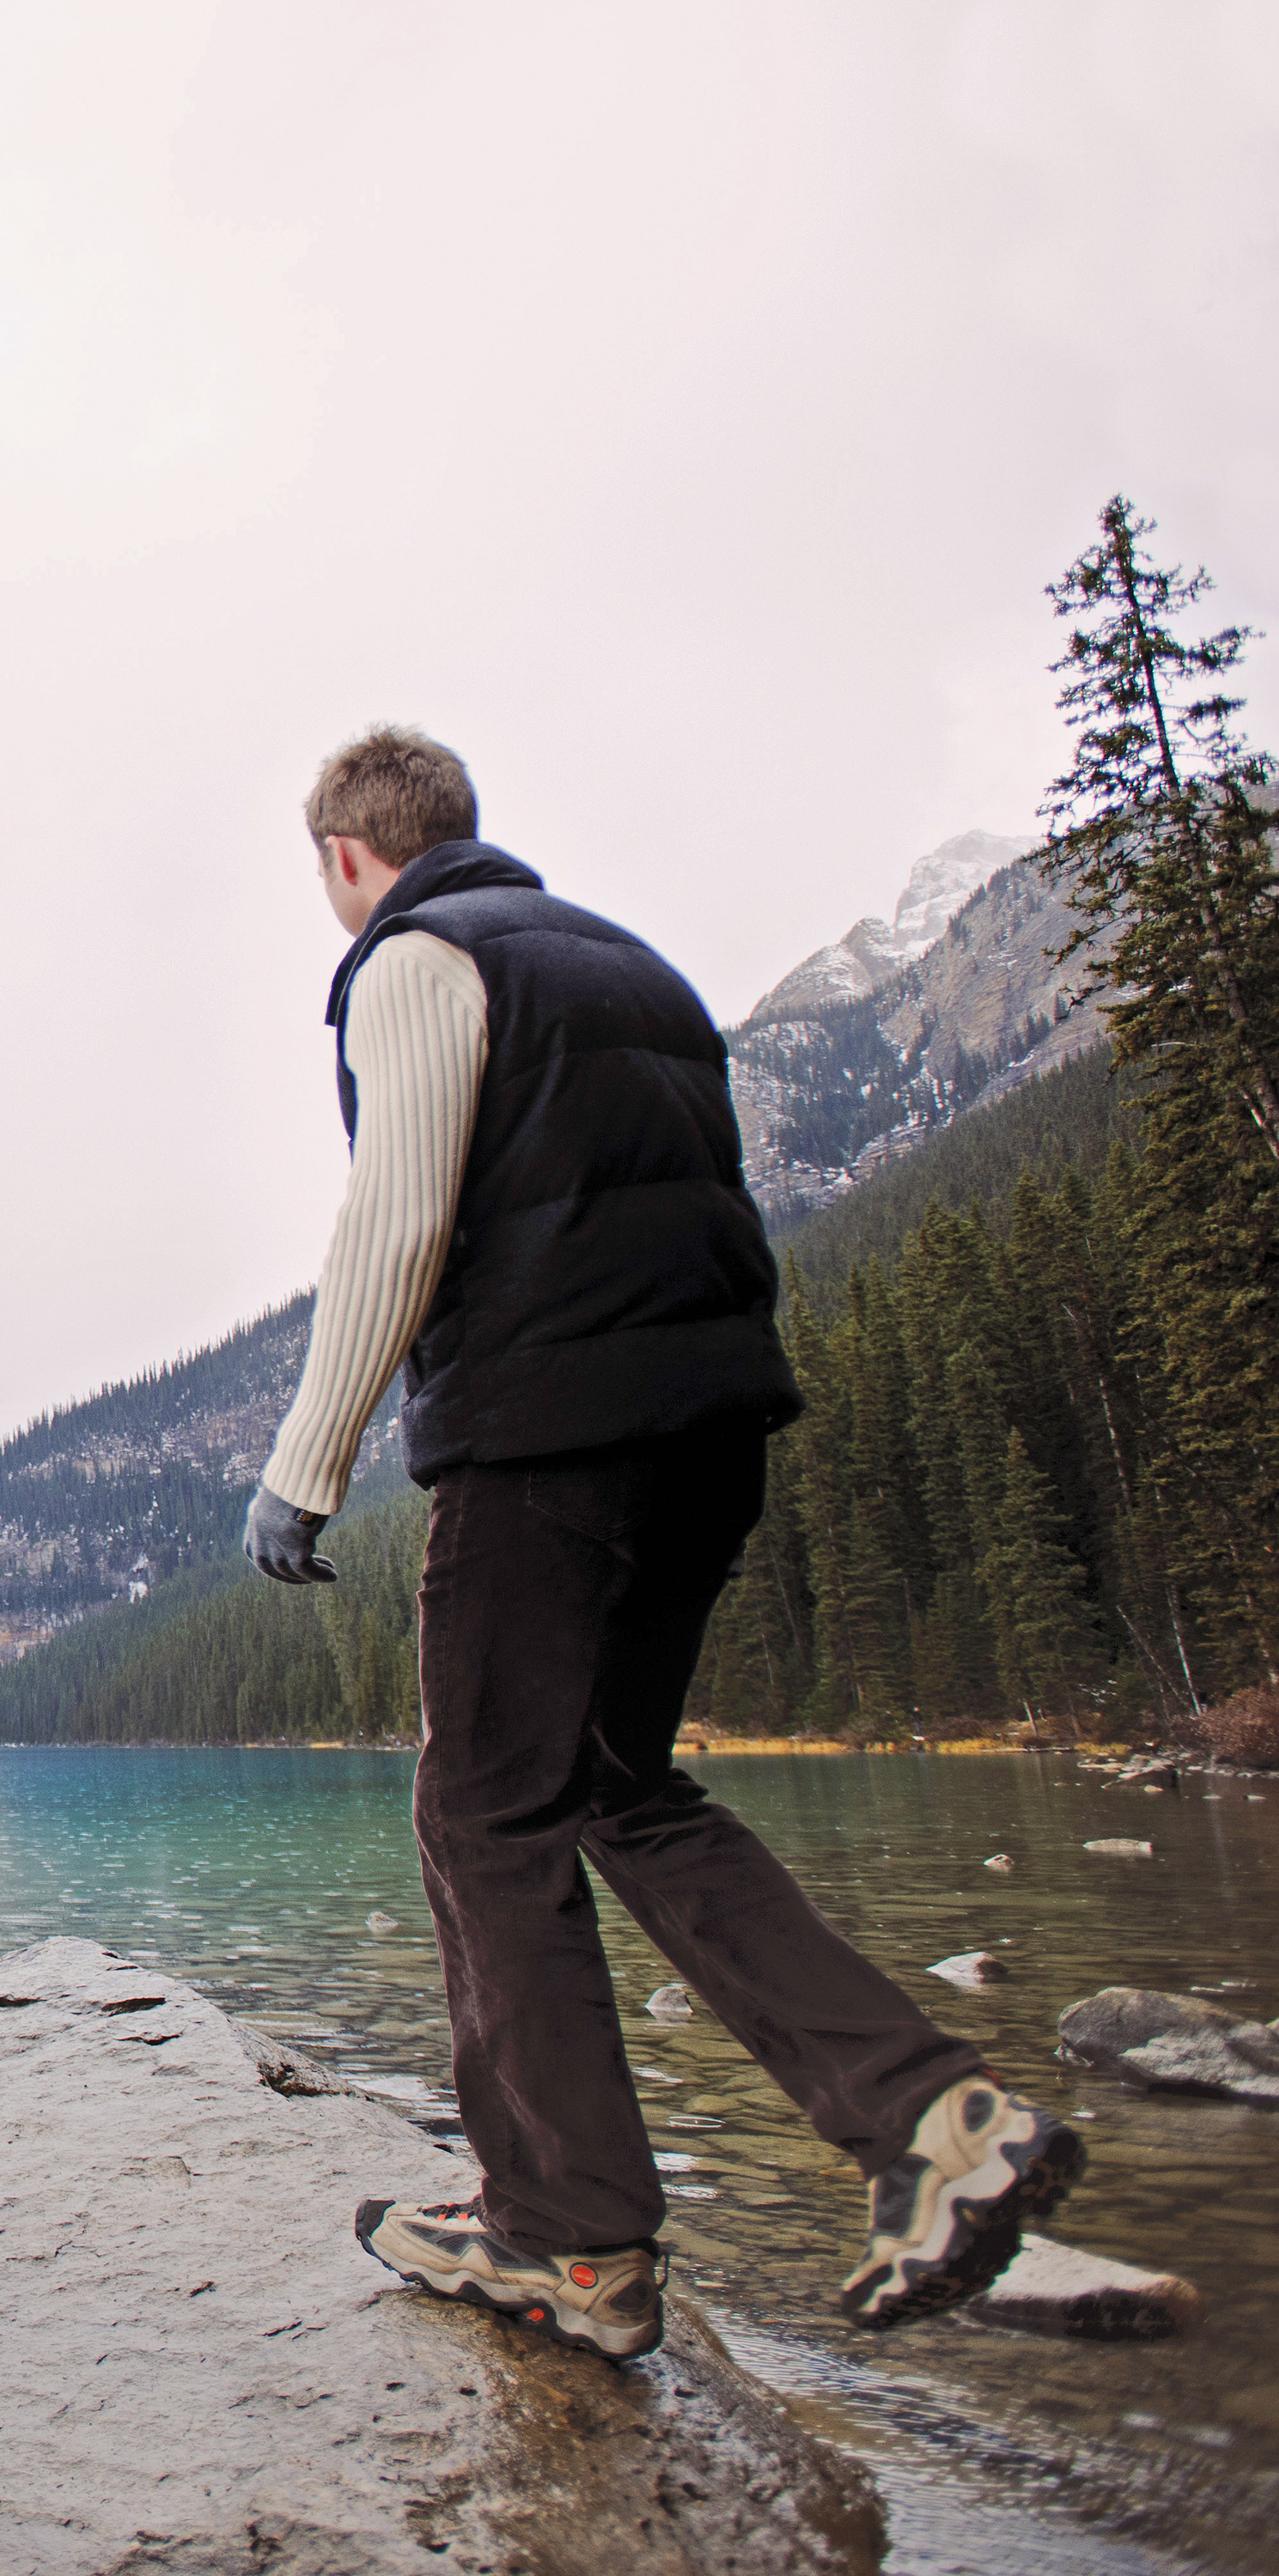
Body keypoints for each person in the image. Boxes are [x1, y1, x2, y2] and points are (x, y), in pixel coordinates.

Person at [246, 724, 1081, 2364]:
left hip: (549, 1445)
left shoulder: (414, 959)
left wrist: (308, 1463)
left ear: (348, 858)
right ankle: (936, 2121)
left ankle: (568, 2237)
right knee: (622, 1785)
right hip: (710, 1438)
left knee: (488, 1815)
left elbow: (398, 1218)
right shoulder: (632, 966)